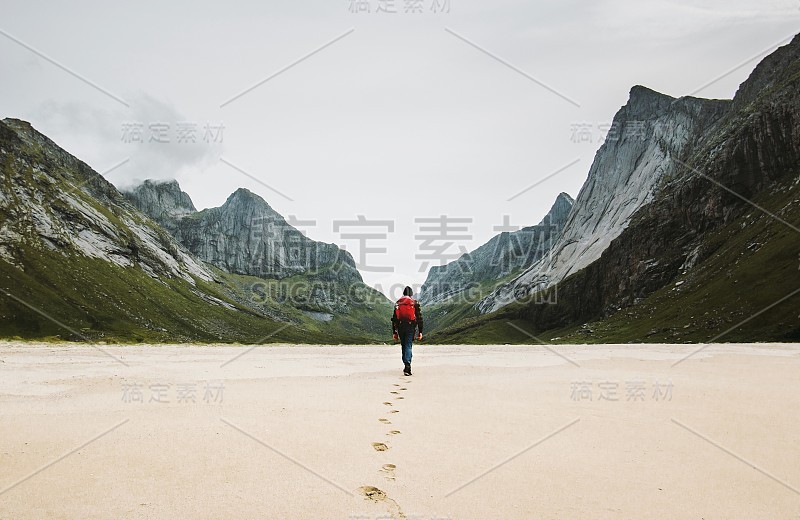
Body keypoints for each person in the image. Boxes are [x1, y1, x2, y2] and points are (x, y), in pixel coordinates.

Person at [392, 286, 423, 376]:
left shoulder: (398, 303)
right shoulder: (414, 303)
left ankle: (405, 363)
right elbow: (420, 318)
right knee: (408, 345)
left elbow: (394, 319)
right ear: (411, 294)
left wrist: (394, 332)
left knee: (403, 345)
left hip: (400, 326)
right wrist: (420, 331)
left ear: (403, 293)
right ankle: (408, 365)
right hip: (410, 326)